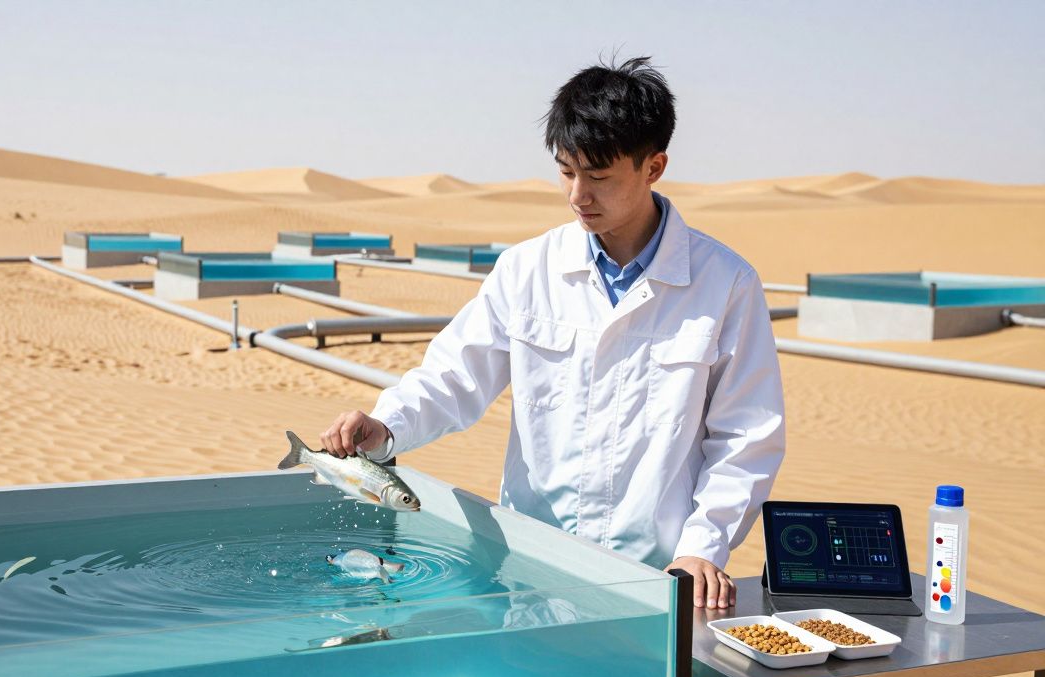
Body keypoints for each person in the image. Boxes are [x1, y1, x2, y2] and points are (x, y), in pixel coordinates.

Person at [321, 57, 785, 610]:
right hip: (532, 569)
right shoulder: (526, 270)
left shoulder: (726, 283)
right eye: (566, 172)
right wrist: (386, 425)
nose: (577, 195)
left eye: (599, 177)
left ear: (654, 167)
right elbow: (454, 376)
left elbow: (746, 438)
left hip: (657, 581)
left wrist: (701, 549)